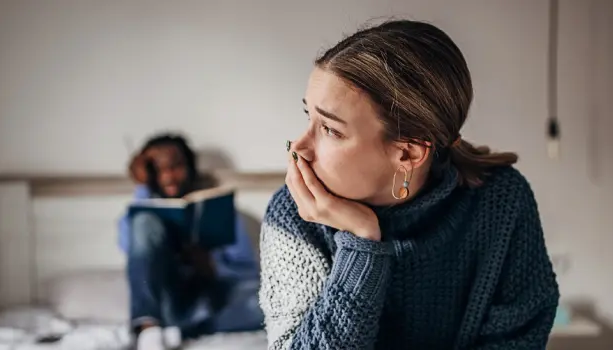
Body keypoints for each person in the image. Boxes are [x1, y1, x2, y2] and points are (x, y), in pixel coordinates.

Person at [258, 19, 560, 349]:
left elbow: (519, 340)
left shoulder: (501, 202)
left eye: (330, 129)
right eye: (308, 117)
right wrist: (362, 244)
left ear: (407, 153)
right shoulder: (293, 215)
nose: (298, 147)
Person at [118, 133, 264, 349]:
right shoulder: (139, 216)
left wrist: (213, 267)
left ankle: (177, 329)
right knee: (143, 222)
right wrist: (143, 187)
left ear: (190, 167)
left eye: (175, 166)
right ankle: (149, 328)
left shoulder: (223, 212)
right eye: (157, 169)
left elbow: (248, 270)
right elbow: (134, 255)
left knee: (266, 301)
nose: (168, 176)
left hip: (213, 296)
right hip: (170, 296)